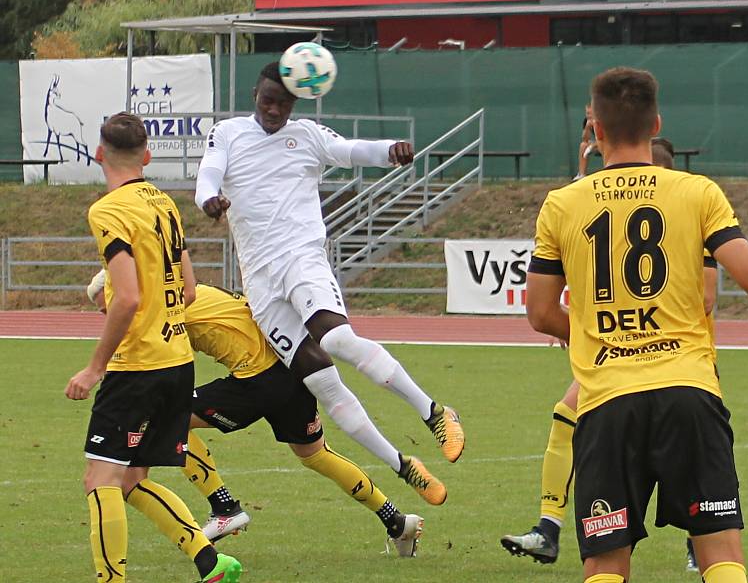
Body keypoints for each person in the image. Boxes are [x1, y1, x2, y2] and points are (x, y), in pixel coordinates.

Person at [526, 67, 748, 583]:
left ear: (597, 131)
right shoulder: (697, 192)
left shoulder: (561, 205)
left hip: (607, 403)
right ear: (656, 124)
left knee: (606, 563)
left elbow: (540, 313)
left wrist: (591, 333)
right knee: (720, 554)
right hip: (689, 392)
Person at [194, 62, 464, 506]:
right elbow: (209, 172)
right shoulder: (228, 133)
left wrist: (391, 150)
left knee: (336, 338)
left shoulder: (309, 136)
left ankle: (433, 411)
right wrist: (209, 199)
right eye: (267, 99)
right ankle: (403, 466)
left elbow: (354, 150)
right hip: (260, 285)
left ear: (296, 101)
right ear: (254, 94)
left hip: (302, 260)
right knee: (320, 381)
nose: (274, 109)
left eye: (283, 102)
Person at [87, 273, 425, 557]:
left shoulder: (158, 305)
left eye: (109, 307)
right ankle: (396, 520)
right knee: (316, 455)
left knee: (168, 418)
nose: (111, 316)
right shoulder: (183, 289)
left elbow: (156, 368)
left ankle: (224, 508)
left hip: (257, 380)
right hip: (291, 369)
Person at [502, 136, 713, 574]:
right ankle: (549, 526)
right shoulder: (601, 206)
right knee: (566, 416)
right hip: (619, 359)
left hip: (673, 359)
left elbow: (706, 298)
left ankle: (701, 537)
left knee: (684, 452)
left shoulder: (688, 208)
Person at [65, 113, 241, 583]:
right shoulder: (164, 203)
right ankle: (211, 561)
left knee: (99, 481)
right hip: (178, 362)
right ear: (147, 155)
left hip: (136, 366)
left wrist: (94, 367)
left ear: (99, 154)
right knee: (129, 481)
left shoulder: (107, 211)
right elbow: (187, 289)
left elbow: (126, 298)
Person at [574, 104, 598, 181]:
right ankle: (581, 175)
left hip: (608, 146)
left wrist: (592, 146)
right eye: (587, 113)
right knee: (583, 145)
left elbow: (606, 140)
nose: (588, 116)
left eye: (590, 113)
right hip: (598, 145)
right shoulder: (587, 121)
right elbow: (585, 139)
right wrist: (587, 128)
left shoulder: (603, 120)